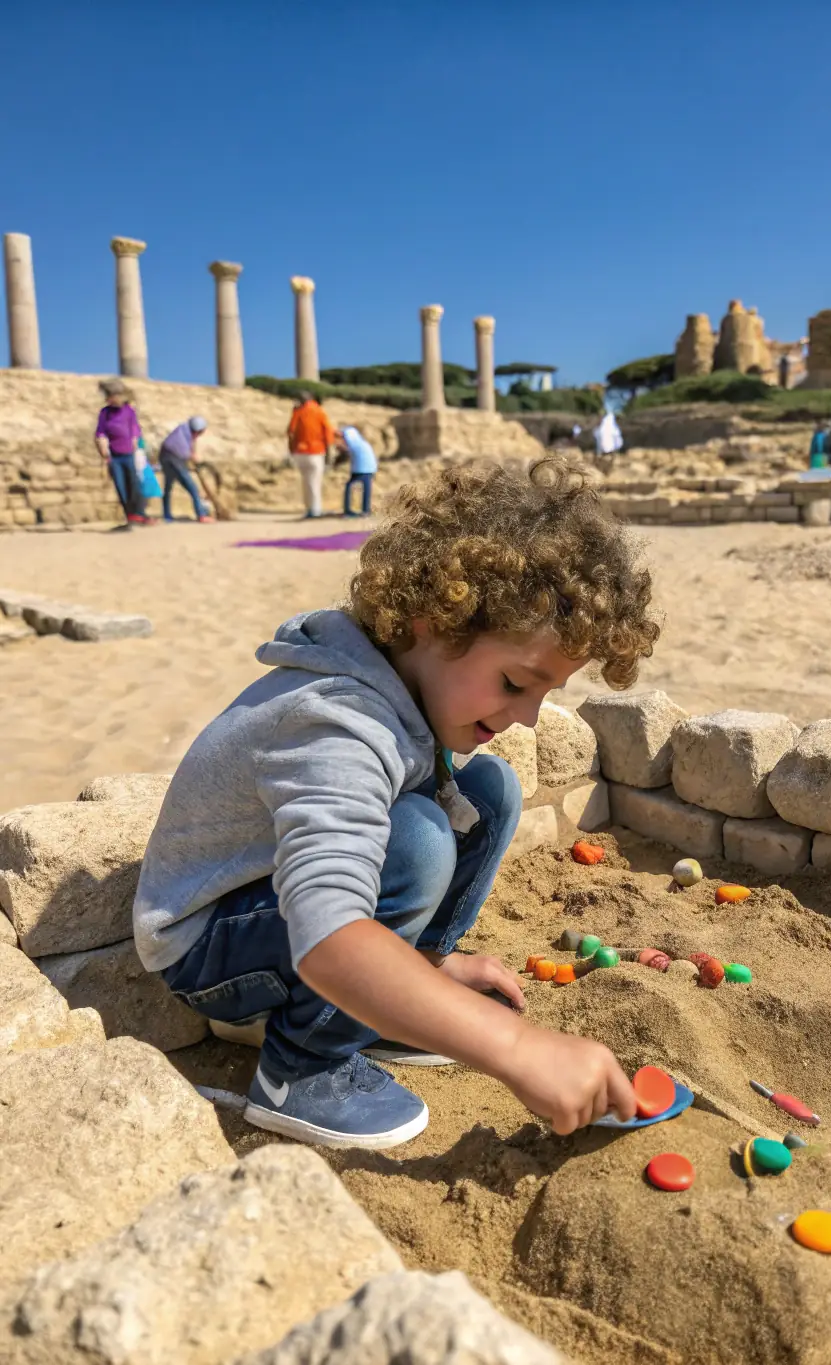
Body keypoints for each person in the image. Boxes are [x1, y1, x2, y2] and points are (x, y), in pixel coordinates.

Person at [133, 459, 656, 1150]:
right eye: (513, 682)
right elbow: (326, 934)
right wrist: (518, 1048)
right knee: (417, 841)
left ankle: (397, 995)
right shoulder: (337, 720)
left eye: (543, 694)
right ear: (430, 623)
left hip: (275, 909)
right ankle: (302, 1065)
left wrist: (434, 971)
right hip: (207, 945)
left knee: (488, 791)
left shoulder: (405, 685)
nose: (527, 716)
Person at [94, 378, 148, 527]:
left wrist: (136, 441)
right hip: (115, 457)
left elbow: (135, 428)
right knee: (120, 486)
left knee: (133, 484)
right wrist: (103, 447)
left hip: (129, 454)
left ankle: (139, 514)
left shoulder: (128, 411)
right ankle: (129, 516)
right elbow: (100, 432)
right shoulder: (105, 413)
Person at [287, 391, 335, 519]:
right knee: (315, 481)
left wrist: (291, 451)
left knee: (306, 481)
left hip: (299, 452)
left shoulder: (297, 411)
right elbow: (327, 433)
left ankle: (309, 509)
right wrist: (329, 455)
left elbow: (291, 432)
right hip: (315, 451)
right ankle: (315, 510)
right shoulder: (319, 411)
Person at [159, 417, 213, 523]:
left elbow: (190, 447)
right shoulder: (186, 435)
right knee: (193, 488)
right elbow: (186, 453)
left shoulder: (183, 430)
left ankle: (167, 515)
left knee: (168, 488)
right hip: (175, 460)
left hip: (165, 458)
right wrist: (193, 459)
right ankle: (201, 515)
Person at [339, 425, 377, 517]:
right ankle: (365, 510)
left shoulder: (355, 444)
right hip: (367, 469)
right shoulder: (361, 443)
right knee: (365, 489)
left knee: (351, 487)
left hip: (362, 470)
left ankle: (355, 510)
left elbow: (347, 452)